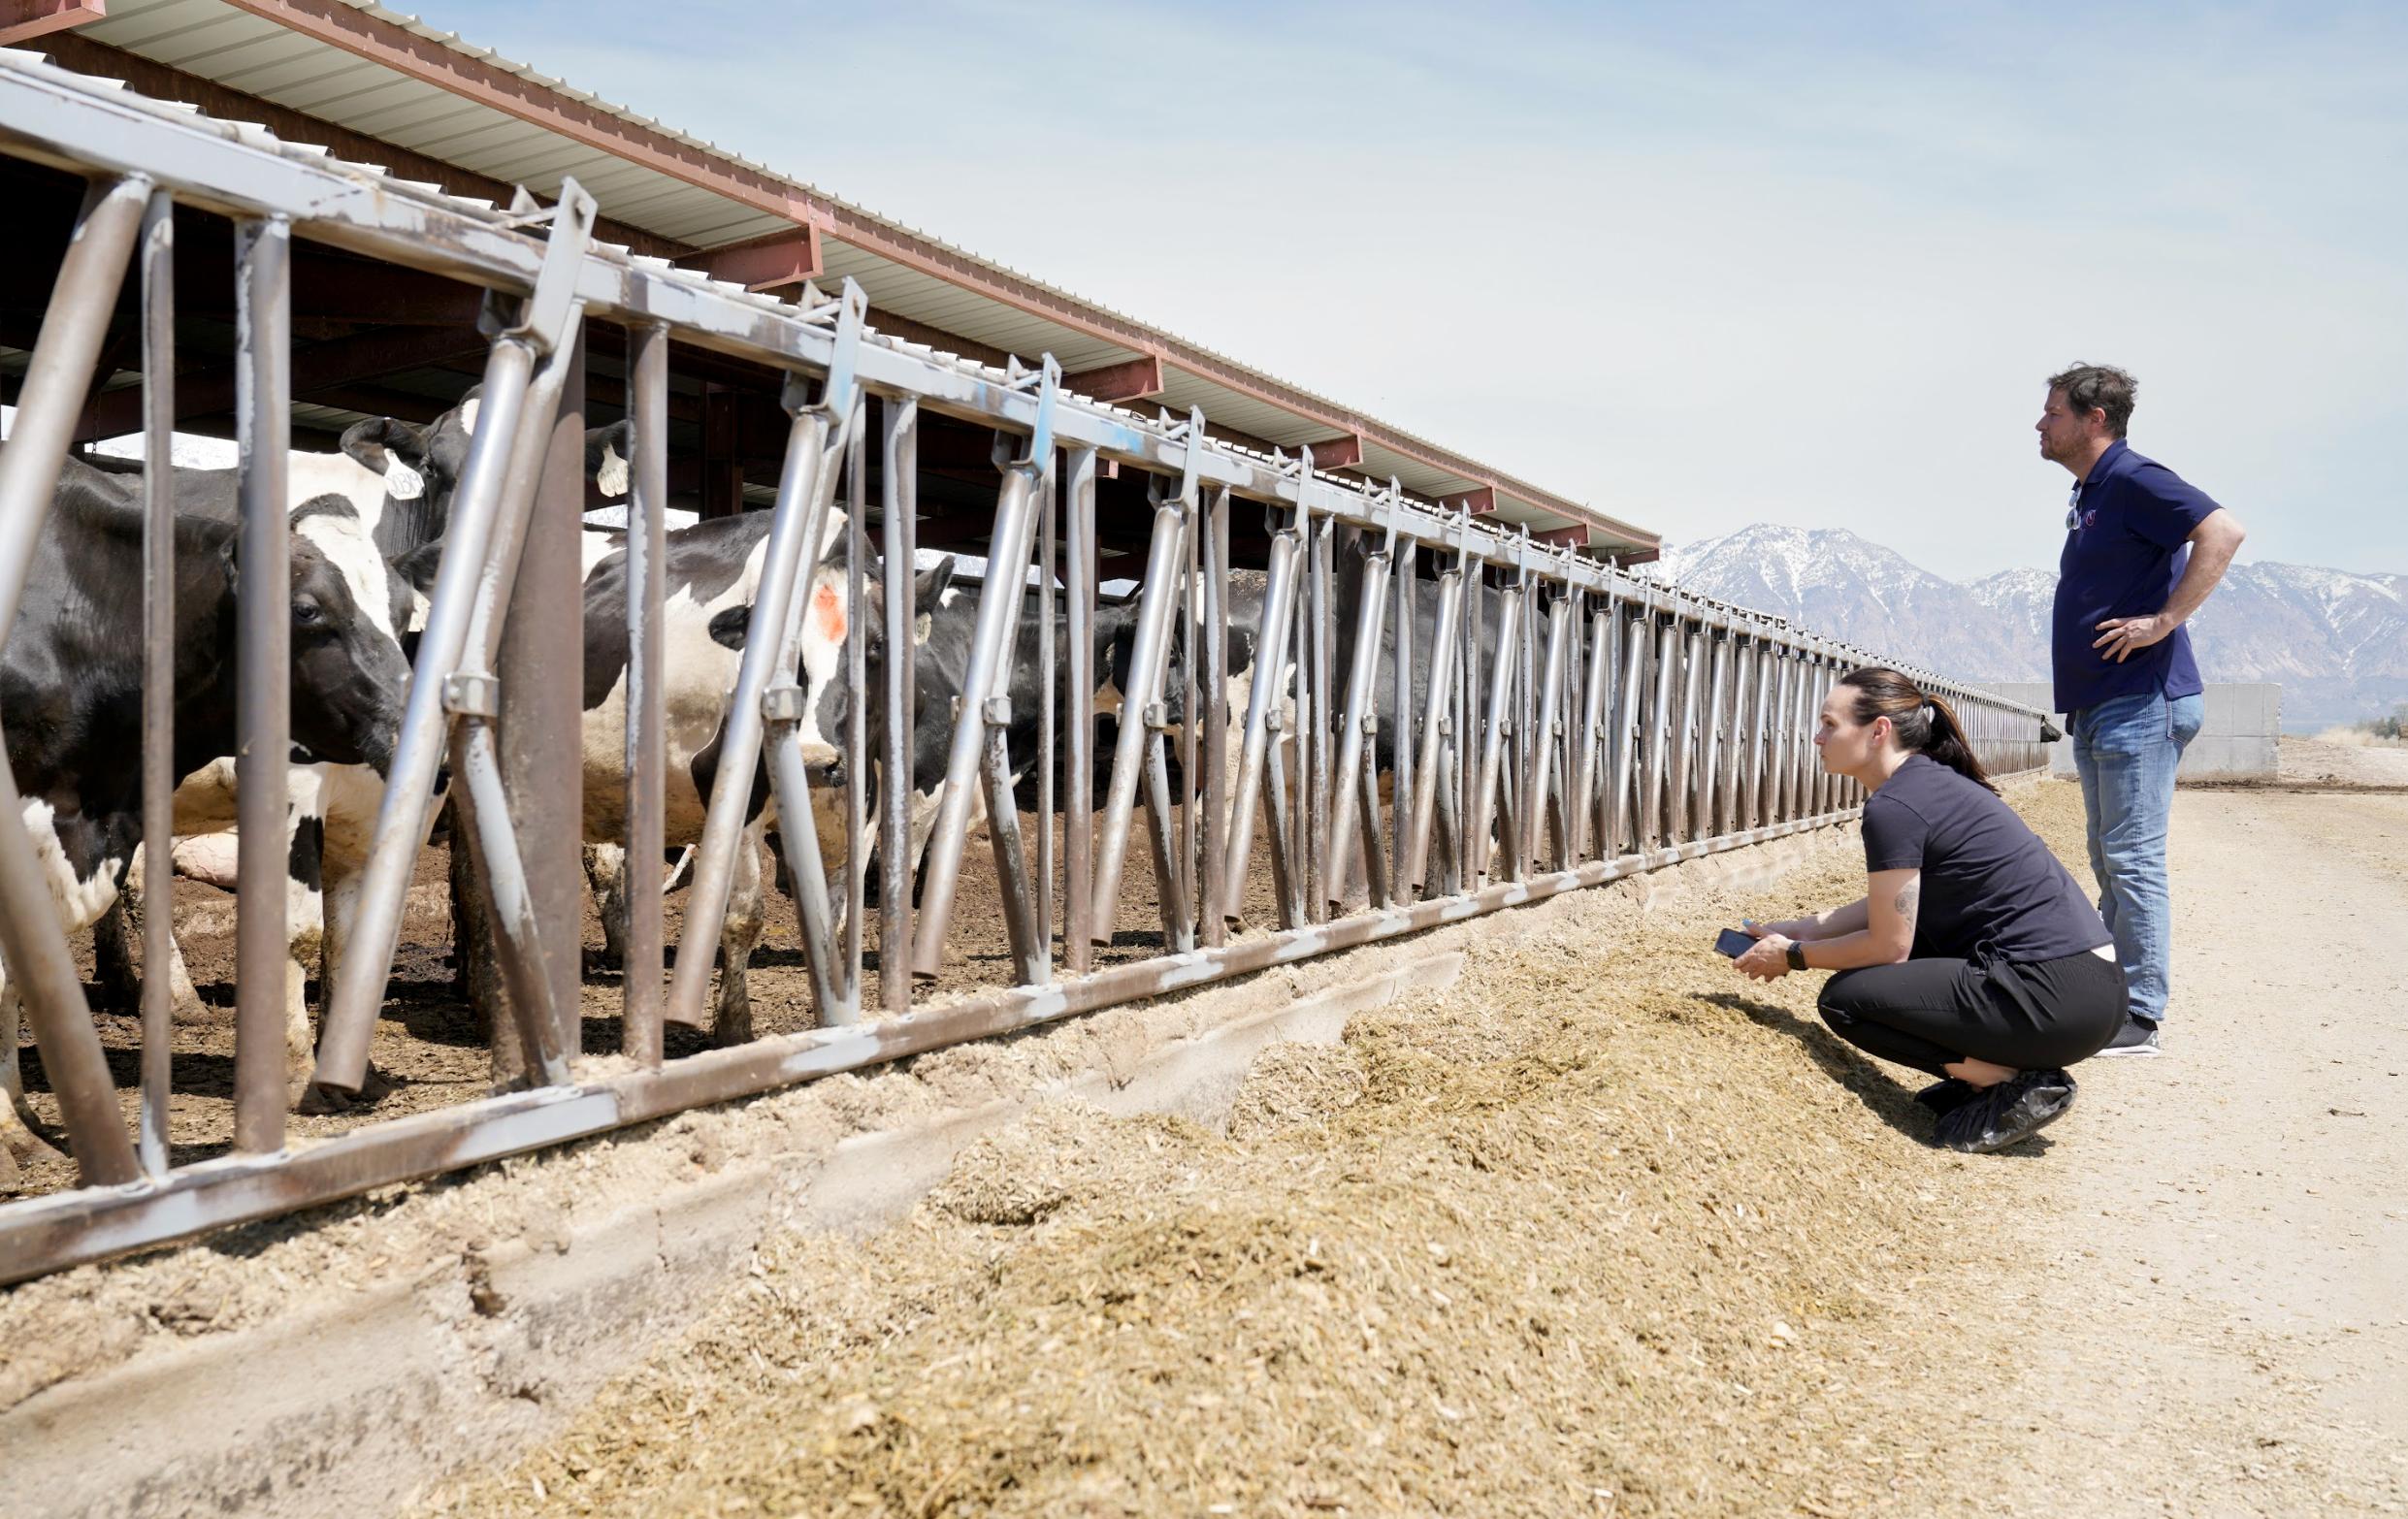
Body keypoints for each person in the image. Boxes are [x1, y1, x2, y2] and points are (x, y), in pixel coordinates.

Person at [1730, 667, 2126, 1153]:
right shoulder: (1931, 782)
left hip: (2053, 997)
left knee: (1847, 1000)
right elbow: (1896, 906)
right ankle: (1990, 1074)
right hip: (2092, 993)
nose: (1818, 737)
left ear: (1878, 731)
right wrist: (1801, 930)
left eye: (1830, 724)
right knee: (1916, 944)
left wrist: (1792, 956)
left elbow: (1888, 946)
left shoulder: (1894, 807)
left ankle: (2008, 1082)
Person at [2038, 363, 2246, 1056]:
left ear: (2095, 419)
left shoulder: (2133, 478)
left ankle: (2141, 1016)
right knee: (2108, 855)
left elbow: (2222, 532)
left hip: (2141, 699)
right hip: (2104, 700)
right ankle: (2113, 1000)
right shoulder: (2092, 491)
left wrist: (2163, 622)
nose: (2040, 424)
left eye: (2054, 413)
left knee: (2131, 858)